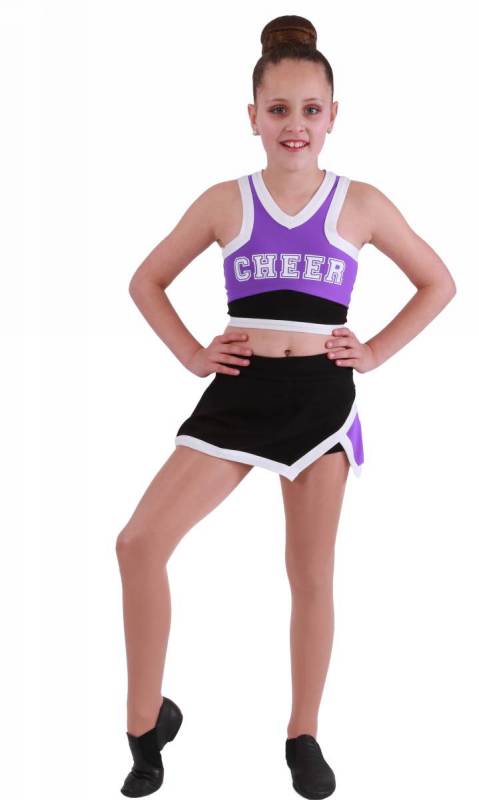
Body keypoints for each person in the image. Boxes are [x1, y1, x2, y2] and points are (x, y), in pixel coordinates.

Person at [116, 14, 456, 799]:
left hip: (318, 403)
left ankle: (302, 733)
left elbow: (437, 282)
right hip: (238, 395)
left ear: (332, 115)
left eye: (309, 109)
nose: (294, 124)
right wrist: (192, 354)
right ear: (252, 116)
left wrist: (374, 350)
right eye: (278, 109)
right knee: (138, 543)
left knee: (309, 575)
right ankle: (144, 724)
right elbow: (146, 281)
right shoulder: (223, 202)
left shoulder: (359, 203)